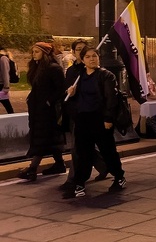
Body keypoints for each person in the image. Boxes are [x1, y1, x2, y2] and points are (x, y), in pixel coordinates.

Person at [62, 47, 126, 198]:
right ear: (83, 60)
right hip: (83, 119)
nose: (92, 59)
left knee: (108, 151)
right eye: (88, 57)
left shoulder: (106, 76)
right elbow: (73, 99)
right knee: (83, 153)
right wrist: (70, 94)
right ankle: (79, 183)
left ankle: (119, 176)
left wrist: (108, 119)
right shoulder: (79, 76)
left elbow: (111, 99)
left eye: (94, 56)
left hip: (100, 119)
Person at [17, 42, 66, 182]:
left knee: (42, 137)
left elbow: (60, 89)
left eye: (37, 52)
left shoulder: (53, 68)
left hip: (48, 111)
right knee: (48, 137)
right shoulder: (38, 68)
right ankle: (59, 164)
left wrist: (49, 101)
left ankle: (32, 168)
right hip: (37, 109)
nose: (34, 55)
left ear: (45, 53)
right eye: (33, 52)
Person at [0, 45, 14, 114]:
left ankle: (12, 119)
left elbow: (5, 73)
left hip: (1, 85)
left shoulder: (3, 58)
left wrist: (6, 87)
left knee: (7, 105)